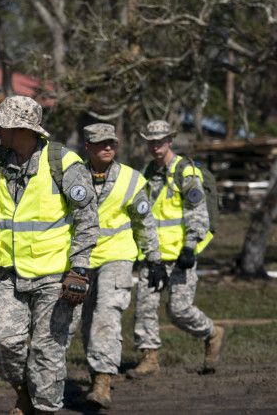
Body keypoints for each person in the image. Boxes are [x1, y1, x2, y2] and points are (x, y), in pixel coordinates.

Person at [0, 95, 99, 415]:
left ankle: (44, 408)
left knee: (47, 353)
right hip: (9, 274)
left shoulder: (64, 163)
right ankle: (24, 392)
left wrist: (79, 270)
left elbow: (87, 220)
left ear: (21, 128)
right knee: (2, 341)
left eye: (2, 123)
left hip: (55, 277)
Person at [127, 120, 224, 378]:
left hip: (181, 255)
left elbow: (198, 212)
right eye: (151, 142)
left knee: (179, 310)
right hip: (153, 256)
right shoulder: (147, 172)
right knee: (145, 307)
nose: (155, 146)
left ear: (170, 140)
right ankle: (149, 358)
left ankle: (212, 333)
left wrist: (190, 248)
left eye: (160, 141)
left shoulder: (185, 171)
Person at [76, 123, 162, 408]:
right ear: (87, 147)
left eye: (111, 143)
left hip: (117, 256)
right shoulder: (71, 176)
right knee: (86, 322)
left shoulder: (131, 179)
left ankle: (103, 382)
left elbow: (144, 221)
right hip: (80, 259)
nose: (107, 147)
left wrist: (154, 258)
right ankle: (95, 373)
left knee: (107, 315)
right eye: (101, 143)